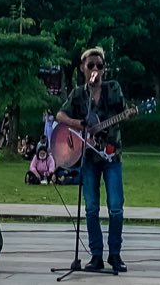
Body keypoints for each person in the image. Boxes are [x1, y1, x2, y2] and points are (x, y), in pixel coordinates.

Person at [55, 46, 131, 273]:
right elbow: (60, 115)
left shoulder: (113, 89)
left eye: (100, 65)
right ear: (83, 69)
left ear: (104, 70)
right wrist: (79, 125)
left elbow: (124, 111)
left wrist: (128, 113)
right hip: (87, 157)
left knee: (116, 207)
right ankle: (95, 256)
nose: (95, 69)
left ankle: (115, 255)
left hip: (111, 156)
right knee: (90, 209)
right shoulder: (79, 94)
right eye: (91, 66)